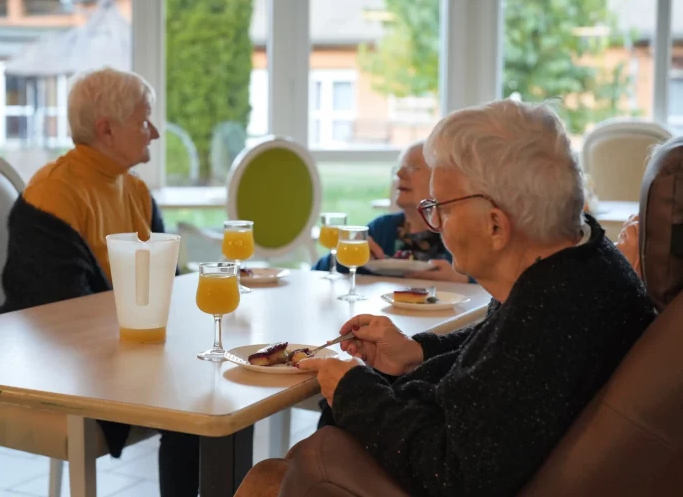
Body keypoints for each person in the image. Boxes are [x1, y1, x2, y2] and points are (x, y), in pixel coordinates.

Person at [235, 99, 657, 497]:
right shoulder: (576, 264)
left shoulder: (552, 316)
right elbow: (497, 346)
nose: (435, 222)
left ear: (496, 225)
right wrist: (416, 351)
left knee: (272, 479)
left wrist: (353, 390)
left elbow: (455, 473)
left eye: (441, 207)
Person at [0, 67, 201, 496]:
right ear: (106, 129)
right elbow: (62, 318)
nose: (155, 133)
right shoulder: (52, 195)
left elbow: (172, 288)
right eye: (144, 121)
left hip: (125, 353)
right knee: (202, 403)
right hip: (57, 367)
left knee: (217, 395)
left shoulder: (136, 191)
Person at [312, 141, 469, 282]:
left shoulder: (459, 232)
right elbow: (317, 272)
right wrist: (348, 254)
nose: (400, 174)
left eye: (414, 168)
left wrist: (464, 279)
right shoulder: (383, 228)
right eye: (399, 168)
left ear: (442, 180)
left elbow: (483, 280)